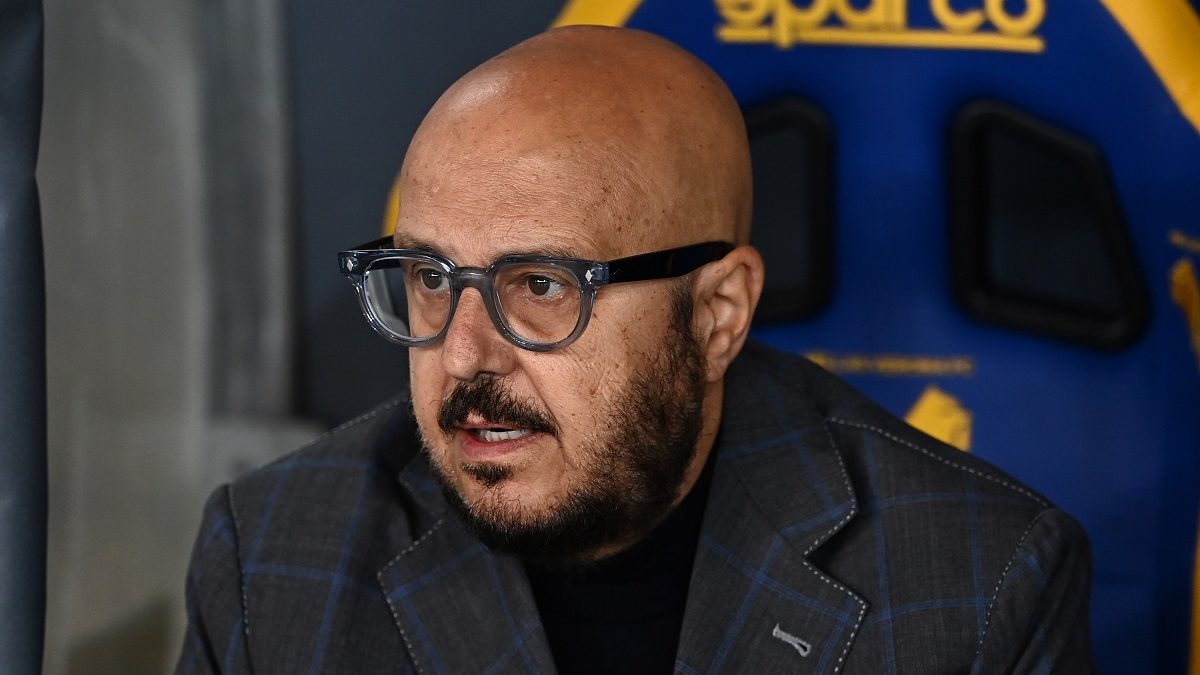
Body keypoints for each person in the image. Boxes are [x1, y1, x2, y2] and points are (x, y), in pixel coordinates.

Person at [177, 26, 1094, 674]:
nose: (462, 356)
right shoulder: (270, 559)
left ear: (718, 314)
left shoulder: (978, 581)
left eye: (541, 285)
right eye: (429, 275)